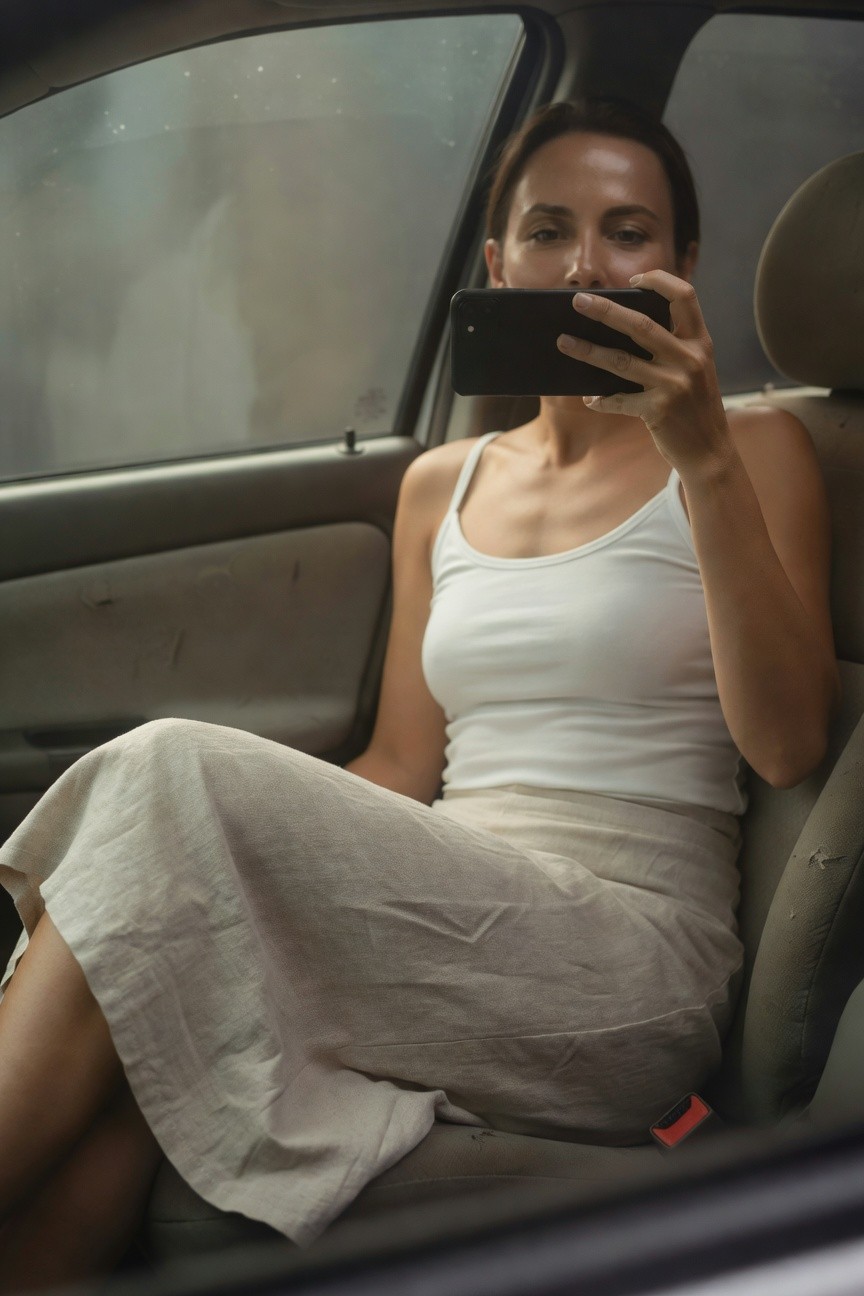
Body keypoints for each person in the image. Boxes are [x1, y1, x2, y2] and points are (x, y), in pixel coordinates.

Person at [0, 98, 839, 1289]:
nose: (587, 264)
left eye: (628, 233)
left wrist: (698, 451)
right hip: (442, 918)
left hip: (626, 960)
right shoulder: (441, 483)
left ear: (683, 268)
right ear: (496, 266)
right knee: (151, 1014)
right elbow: (401, 767)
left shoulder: (754, 451)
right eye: (549, 231)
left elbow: (792, 742)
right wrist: (203, 873)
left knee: (162, 768)